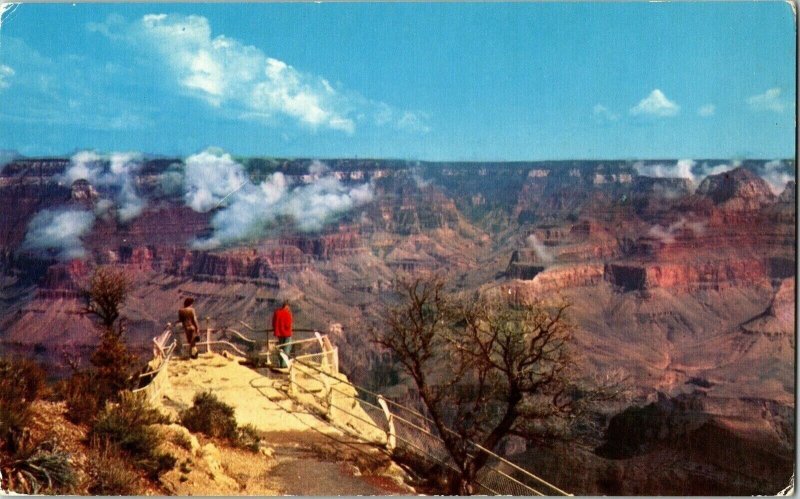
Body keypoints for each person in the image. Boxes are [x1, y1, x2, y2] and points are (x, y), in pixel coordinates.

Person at [272, 301, 293, 368]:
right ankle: (284, 364)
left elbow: (273, 323)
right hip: (287, 334)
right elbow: (288, 324)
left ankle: (280, 363)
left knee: (281, 348)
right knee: (286, 349)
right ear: (287, 306)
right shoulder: (288, 313)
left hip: (279, 334)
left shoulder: (277, 313)